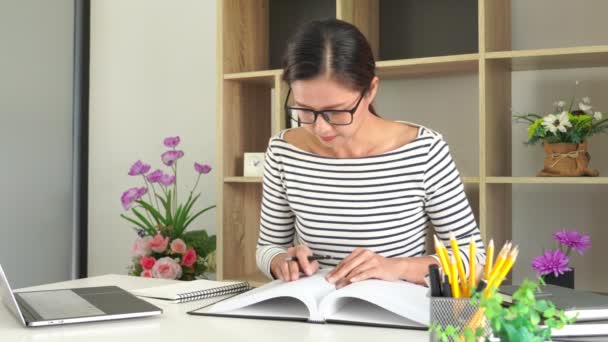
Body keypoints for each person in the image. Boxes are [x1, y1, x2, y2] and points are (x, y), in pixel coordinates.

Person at [255, 18, 485, 289]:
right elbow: (268, 247)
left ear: (371, 90)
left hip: (391, 314)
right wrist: (280, 260)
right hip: (314, 310)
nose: (319, 127)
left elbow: (474, 261)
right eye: (304, 109)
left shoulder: (424, 150)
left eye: (336, 111)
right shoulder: (283, 151)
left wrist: (395, 267)